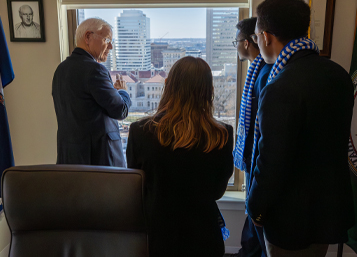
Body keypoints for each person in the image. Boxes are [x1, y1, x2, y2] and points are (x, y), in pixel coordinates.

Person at [247, 0, 355, 257]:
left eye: (256, 36)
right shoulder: (338, 74)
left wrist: (256, 209)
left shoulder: (279, 87)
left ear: (267, 36)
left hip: (289, 220)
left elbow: (271, 161)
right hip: (328, 212)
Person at [126, 56, 234, 257]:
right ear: (208, 91)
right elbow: (217, 191)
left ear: (167, 86)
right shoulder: (222, 134)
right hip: (204, 236)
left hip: (157, 236)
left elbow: (137, 188)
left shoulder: (140, 131)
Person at [52, 18, 131, 167]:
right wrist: (122, 92)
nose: (111, 46)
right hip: (98, 161)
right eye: (107, 39)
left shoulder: (61, 70)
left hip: (69, 158)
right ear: (88, 37)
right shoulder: (95, 70)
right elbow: (121, 110)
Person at [232, 17, 272, 257]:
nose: (235, 46)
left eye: (236, 41)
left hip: (258, 155)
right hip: (253, 153)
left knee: (256, 214)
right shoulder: (258, 69)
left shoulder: (264, 73)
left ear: (247, 43)